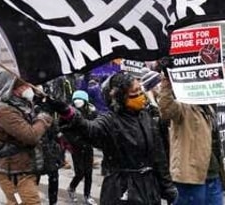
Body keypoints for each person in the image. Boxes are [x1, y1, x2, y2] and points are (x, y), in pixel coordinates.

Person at [60, 72, 177, 204]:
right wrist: (68, 113)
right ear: (121, 96)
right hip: (120, 191)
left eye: (140, 90)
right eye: (135, 91)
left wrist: (168, 188)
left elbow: (159, 157)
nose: (140, 95)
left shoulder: (146, 118)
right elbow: (89, 129)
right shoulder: (110, 120)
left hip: (148, 190)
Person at [158, 62, 225, 204]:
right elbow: (166, 108)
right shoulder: (184, 107)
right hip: (191, 176)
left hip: (212, 172)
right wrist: (167, 80)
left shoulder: (208, 108)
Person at [0, 71, 55, 205]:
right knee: (27, 202)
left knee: (17, 203)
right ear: (11, 89)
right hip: (15, 173)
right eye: (22, 85)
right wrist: (43, 118)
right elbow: (31, 136)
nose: (28, 87)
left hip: (25, 168)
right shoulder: (4, 111)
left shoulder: (21, 105)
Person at [65, 90, 97, 205]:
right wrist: (73, 140)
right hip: (76, 146)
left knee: (88, 172)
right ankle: (72, 187)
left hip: (88, 146)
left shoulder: (91, 111)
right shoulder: (69, 112)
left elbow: (95, 127)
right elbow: (64, 129)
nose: (78, 102)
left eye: (81, 99)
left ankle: (87, 195)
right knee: (80, 172)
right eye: (75, 99)